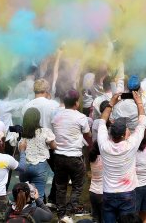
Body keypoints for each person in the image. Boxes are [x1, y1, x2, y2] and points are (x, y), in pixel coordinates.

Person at [98, 91, 146, 223]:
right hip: (127, 194)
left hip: (108, 193)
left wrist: (111, 103)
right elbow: (142, 123)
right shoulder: (130, 145)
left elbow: (102, 121)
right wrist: (139, 103)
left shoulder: (103, 145)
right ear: (124, 134)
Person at [52, 89, 91, 218]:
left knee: (61, 187)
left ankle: (61, 214)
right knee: (78, 185)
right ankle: (70, 209)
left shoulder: (56, 116)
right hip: (75, 157)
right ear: (76, 103)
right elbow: (87, 133)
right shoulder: (80, 117)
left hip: (58, 156)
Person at [18, 106, 56, 202]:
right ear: (38, 118)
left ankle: (25, 212)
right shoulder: (45, 131)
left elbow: (17, 147)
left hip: (24, 166)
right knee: (37, 195)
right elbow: (54, 146)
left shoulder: (21, 133)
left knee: (24, 194)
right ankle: (36, 214)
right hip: (40, 166)